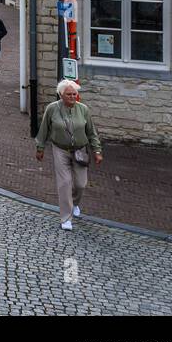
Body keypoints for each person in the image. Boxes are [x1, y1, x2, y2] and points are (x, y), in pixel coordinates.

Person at [35, 79, 104, 230]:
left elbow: (91, 132)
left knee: (81, 184)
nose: (73, 97)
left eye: (74, 94)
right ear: (61, 95)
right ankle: (66, 218)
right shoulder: (52, 109)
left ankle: (75, 203)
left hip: (80, 151)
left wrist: (97, 150)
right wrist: (40, 147)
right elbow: (44, 129)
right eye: (69, 94)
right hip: (60, 150)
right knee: (65, 183)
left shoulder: (83, 109)